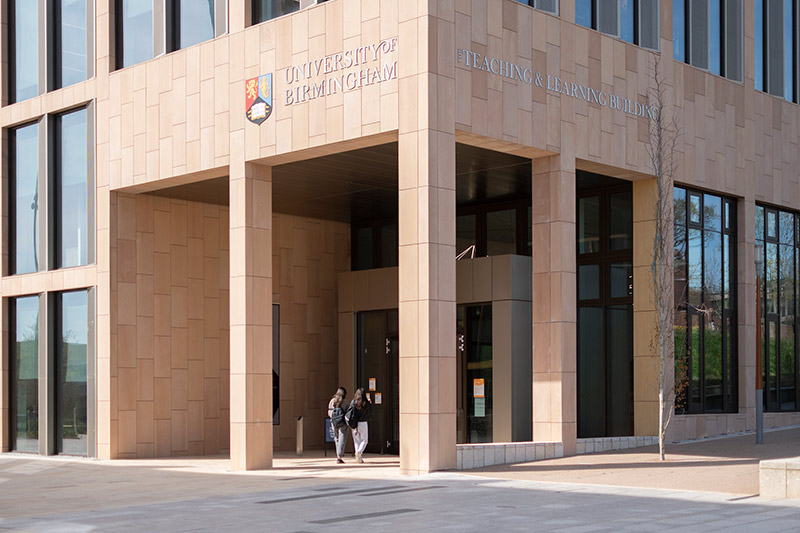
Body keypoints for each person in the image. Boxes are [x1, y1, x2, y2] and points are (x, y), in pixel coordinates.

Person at [346, 387, 371, 463]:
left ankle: (358, 457)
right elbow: (369, 411)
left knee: (356, 440)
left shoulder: (353, 402)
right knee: (364, 440)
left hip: (354, 423)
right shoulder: (365, 402)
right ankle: (359, 452)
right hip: (363, 422)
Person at [327, 387, 348, 464]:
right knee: (342, 437)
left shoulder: (332, 401)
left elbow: (329, 412)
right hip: (342, 422)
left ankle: (338, 454)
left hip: (334, 422)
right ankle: (339, 455)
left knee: (336, 437)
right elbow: (348, 412)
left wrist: (333, 417)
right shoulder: (345, 402)